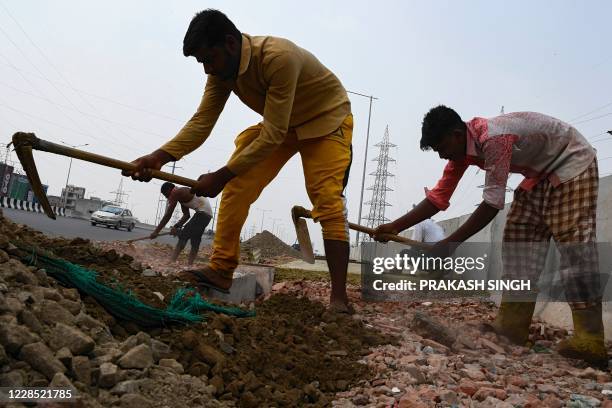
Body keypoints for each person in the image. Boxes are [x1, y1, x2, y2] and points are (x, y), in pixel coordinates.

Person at [123, 9, 354, 312]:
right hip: (282, 125)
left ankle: (339, 298)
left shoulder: (278, 58)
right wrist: (160, 156)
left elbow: (271, 135)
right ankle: (220, 270)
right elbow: (202, 122)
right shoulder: (222, 73)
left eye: (208, 59)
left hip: (327, 122)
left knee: (326, 200)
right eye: (200, 62)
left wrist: (220, 175)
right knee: (237, 186)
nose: (206, 69)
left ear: (230, 44)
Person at [374, 106, 605, 366]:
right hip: (539, 174)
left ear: (457, 133)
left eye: (441, 147)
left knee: (575, 245)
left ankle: (590, 338)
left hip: (571, 160)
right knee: (519, 241)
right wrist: (394, 226)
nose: (441, 155)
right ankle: (511, 327)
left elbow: (492, 204)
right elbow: (438, 198)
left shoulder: (494, 139)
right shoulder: (461, 154)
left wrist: (449, 245)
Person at [151, 182, 212, 266]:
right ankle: (189, 265)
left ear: (169, 190)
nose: (166, 197)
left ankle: (172, 261)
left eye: (165, 194)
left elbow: (168, 214)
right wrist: (176, 226)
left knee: (184, 235)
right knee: (195, 240)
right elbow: (186, 215)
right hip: (207, 215)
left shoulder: (176, 192)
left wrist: (156, 232)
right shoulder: (181, 195)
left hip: (202, 213)